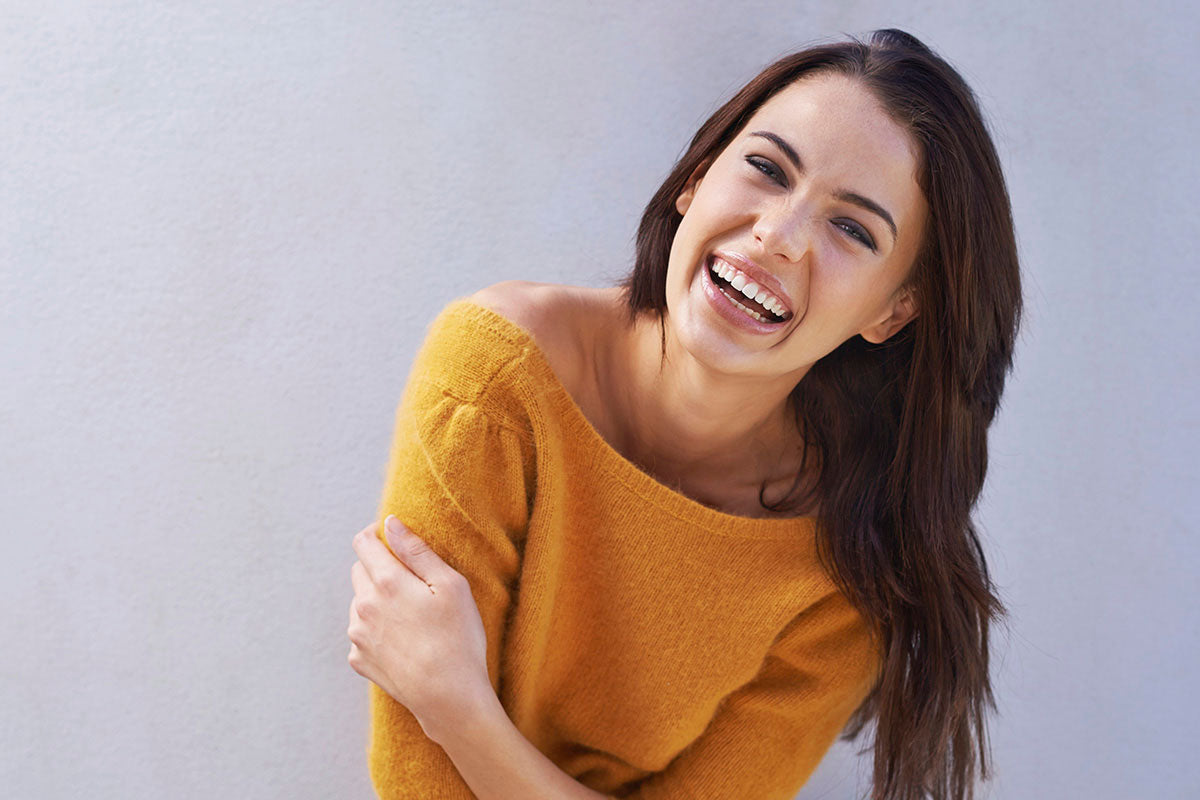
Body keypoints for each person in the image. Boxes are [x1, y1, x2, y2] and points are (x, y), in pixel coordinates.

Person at [347, 27, 1022, 800]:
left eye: (851, 228)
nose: (779, 235)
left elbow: (435, 718)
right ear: (696, 180)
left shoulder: (850, 566)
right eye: (767, 169)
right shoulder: (495, 381)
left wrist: (455, 706)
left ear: (894, 311)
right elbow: (415, 785)